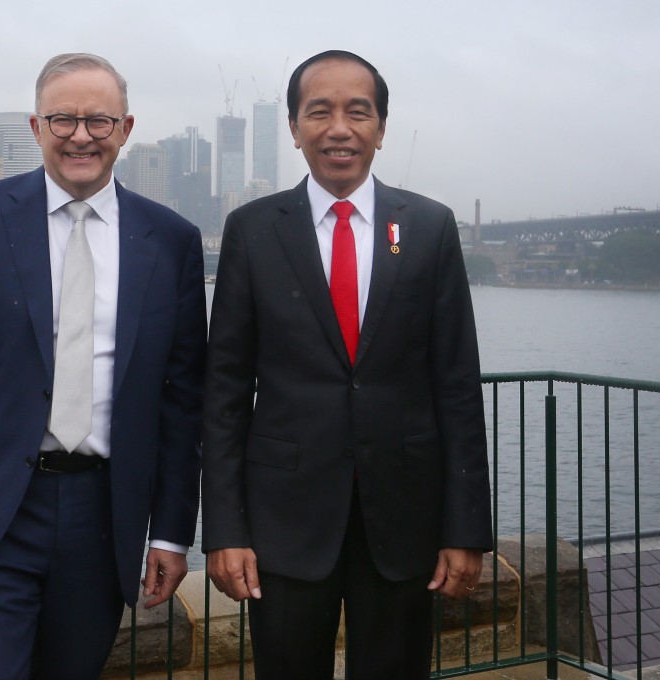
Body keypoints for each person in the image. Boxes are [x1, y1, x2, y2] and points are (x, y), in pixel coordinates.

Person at [0, 53, 207, 679]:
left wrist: (169, 534)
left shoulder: (171, 240)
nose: (81, 135)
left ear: (126, 129)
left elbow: (181, 402)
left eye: (99, 121)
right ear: (36, 128)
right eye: (63, 119)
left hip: (105, 517)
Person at [201, 50, 492, 679]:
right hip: (284, 523)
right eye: (320, 112)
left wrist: (467, 529)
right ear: (294, 127)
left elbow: (458, 388)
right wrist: (225, 529)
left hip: (404, 520)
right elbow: (224, 390)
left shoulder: (430, 228)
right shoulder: (251, 231)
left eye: (358, 112)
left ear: (381, 129)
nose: (340, 128)